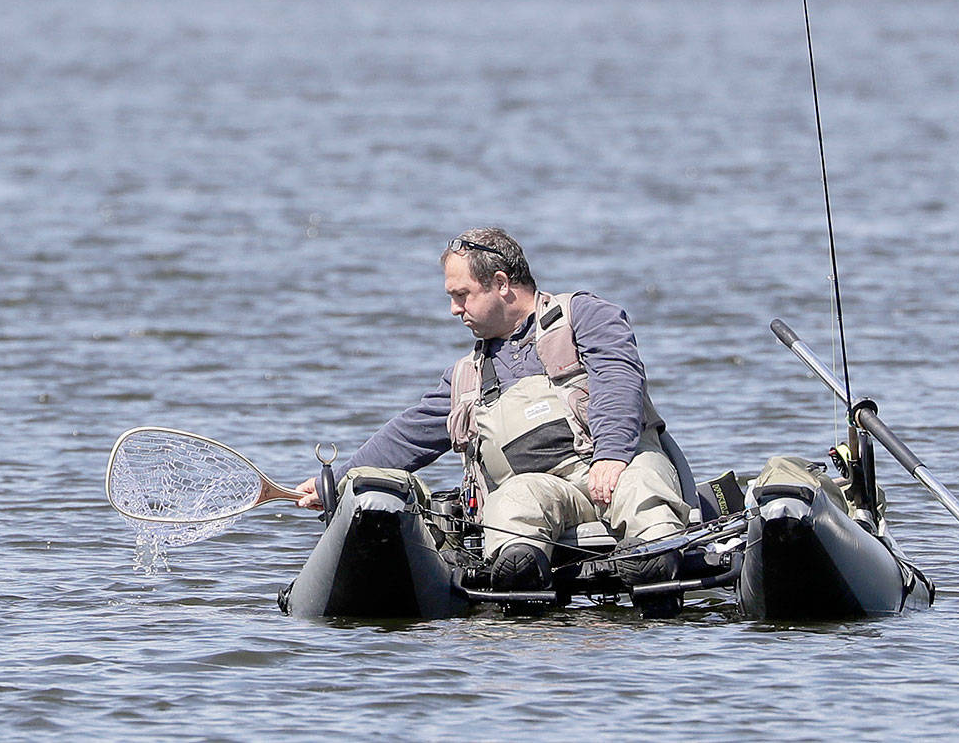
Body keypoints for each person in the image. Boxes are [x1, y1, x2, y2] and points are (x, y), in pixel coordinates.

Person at [295, 227, 691, 596]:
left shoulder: (585, 317)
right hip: (548, 492)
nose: (453, 309)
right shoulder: (465, 377)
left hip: (617, 466)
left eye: (461, 295)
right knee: (513, 499)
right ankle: (518, 578)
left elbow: (617, 380)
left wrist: (610, 454)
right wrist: (340, 481)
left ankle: (655, 559)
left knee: (643, 483)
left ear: (501, 284)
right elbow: (408, 435)